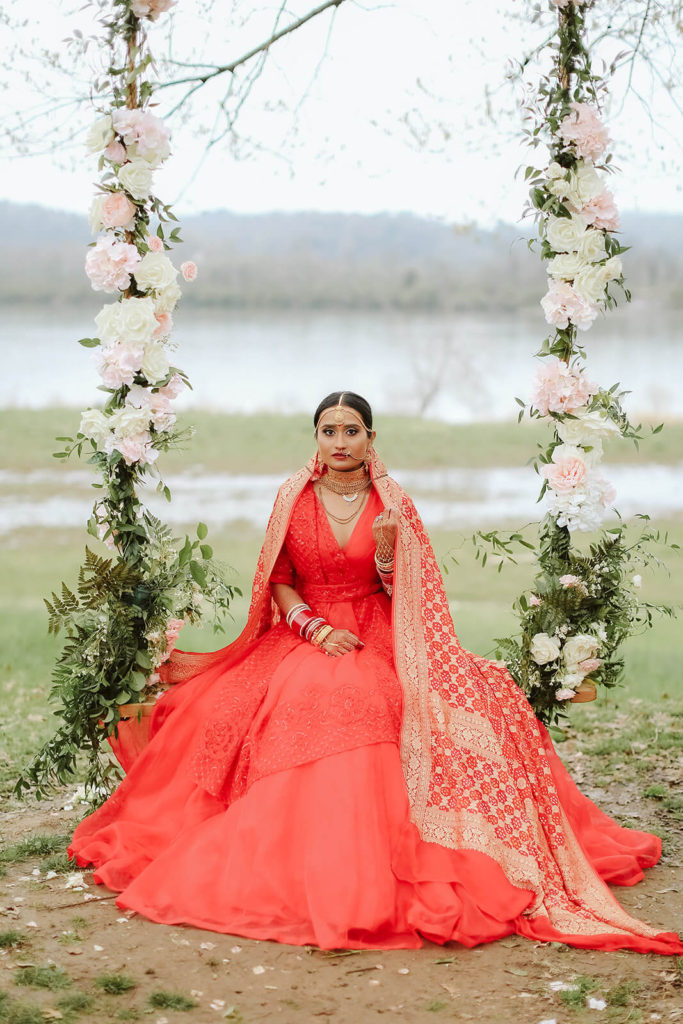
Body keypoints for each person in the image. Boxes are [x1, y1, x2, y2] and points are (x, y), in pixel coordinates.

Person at [69, 391, 682, 954]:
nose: (339, 441)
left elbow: (407, 593)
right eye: (327, 430)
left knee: (401, 692)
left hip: (383, 630)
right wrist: (314, 629)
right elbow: (279, 580)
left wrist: (388, 558)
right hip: (306, 629)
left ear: (370, 438)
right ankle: (300, 856)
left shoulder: (395, 503)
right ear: (316, 437)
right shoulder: (293, 497)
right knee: (298, 690)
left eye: (351, 430)